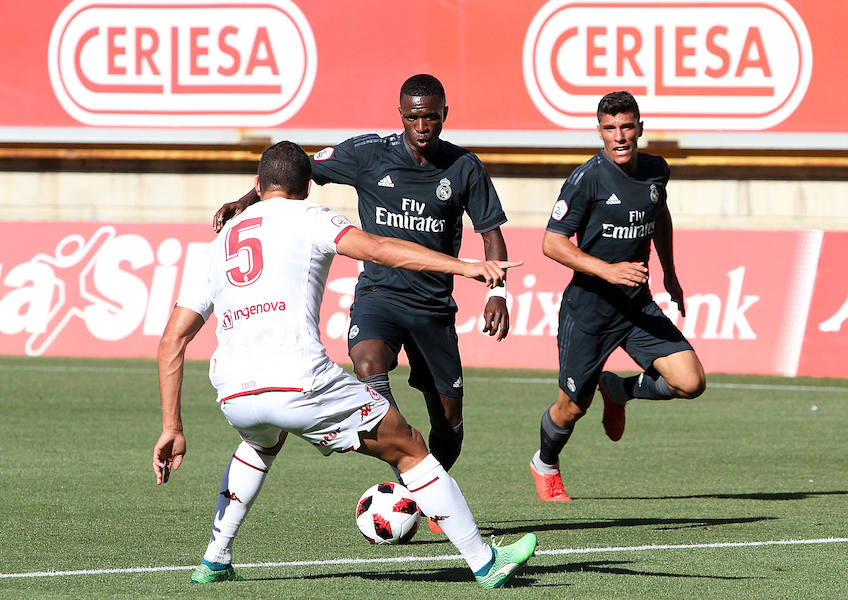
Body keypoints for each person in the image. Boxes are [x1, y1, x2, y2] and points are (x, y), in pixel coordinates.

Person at [153, 141, 535, 588]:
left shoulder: (218, 244)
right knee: (410, 445)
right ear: (306, 187)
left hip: (236, 394)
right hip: (301, 384)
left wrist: (171, 427)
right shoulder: (310, 218)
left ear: (258, 186)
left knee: (259, 444)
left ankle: (215, 559)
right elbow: (379, 249)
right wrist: (465, 266)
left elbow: (172, 340)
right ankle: (486, 562)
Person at [215, 74, 510, 532]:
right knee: (368, 359)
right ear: (401, 115)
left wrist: (497, 292)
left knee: (449, 421)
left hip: (433, 306)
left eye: (430, 116)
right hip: (379, 293)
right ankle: (399, 451)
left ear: (444, 115)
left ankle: (425, 485)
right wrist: (246, 200)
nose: (422, 125)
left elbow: (490, 233)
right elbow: (295, 171)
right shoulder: (368, 154)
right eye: (412, 117)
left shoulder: (465, 167)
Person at [529, 91, 706, 502]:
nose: (620, 136)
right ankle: (545, 463)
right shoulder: (586, 179)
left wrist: (670, 273)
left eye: (627, 126)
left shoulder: (656, 171)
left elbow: (658, 214)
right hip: (589, 311)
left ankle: (620, 390)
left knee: (691, 381)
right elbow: (552, 244)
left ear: (640, 128)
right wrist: (608, 270)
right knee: (572, 408)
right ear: (600, 132)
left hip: (636, 305)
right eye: (610, 128)